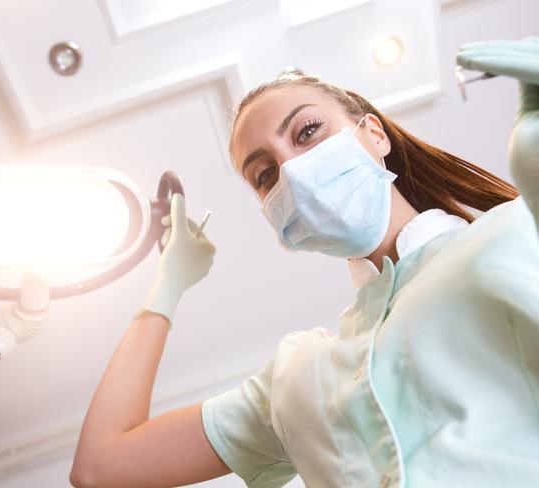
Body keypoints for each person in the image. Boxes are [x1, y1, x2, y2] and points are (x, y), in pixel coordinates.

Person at [69, 38, 539, 488]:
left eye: (308, 132)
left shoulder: (516, 234)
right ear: (274, 217)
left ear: (374, 135)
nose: (292, 170)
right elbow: (102, 464)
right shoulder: (296, 383)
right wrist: (166, 288)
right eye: (265, 174)